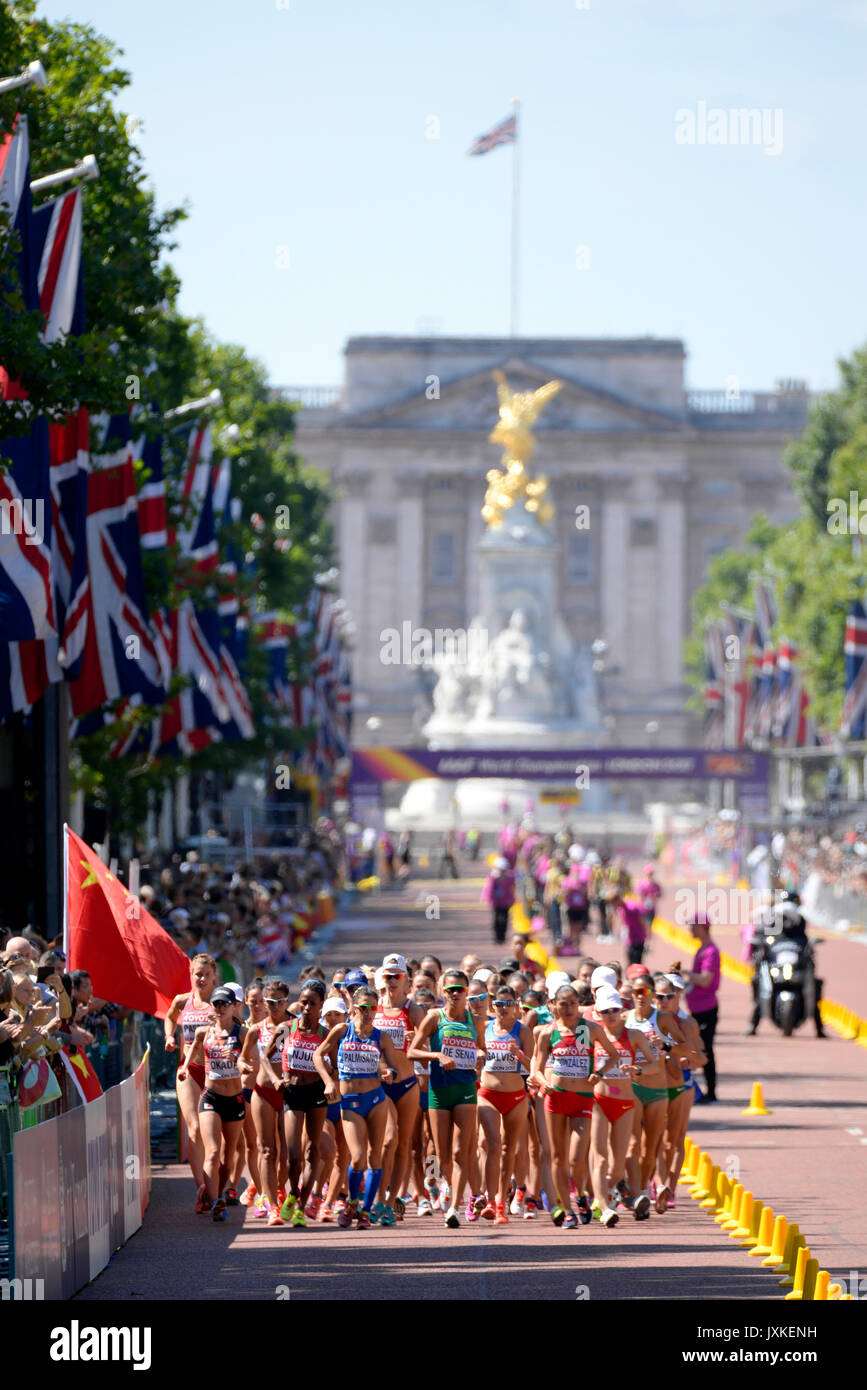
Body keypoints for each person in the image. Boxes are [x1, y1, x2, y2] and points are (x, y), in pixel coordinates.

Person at [314, 985, 402, 1229]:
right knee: (358, 1156)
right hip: (350, 1101)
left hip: (375, 1099)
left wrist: (389, 1073)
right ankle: (352, 1201)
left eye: (372, 1008)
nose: (367, 1012)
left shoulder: (381, 1036)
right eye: (363, 1007)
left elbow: (395, 1068)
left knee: (376, 1156)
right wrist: (328, 1081)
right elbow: (318, 1055)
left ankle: (364, 1210)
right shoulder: (343, 1030)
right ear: (354, 1007)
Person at [532, 983, 620, 1227]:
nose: (569, 1008)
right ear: (555, 1006)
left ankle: (580, 1194)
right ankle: (567, 1209)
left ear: (578, 1005)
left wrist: (600, 1073)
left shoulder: (589, 1029)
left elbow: (613, 1054)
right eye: (564, 1004)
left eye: (572, 1003)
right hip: (556, 1096)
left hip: (582, 1098)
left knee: (576, 1158)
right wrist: (543, 1083)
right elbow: (537, 1068)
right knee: (558, 1157)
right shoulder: (548, 1032)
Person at [407, 968, 485, 1229]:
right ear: (443, 992)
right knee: (441, 1157)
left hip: (465, 1089)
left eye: (459, 989)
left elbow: (481, 1046)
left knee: (461, 1151)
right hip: (438, 1091)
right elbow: (412, 1051)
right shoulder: (434, 1018)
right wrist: (437, 1056)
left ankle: (454, 1207)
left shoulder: (475, 1020)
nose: (454, 994)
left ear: (467, 993)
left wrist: (480, 1055)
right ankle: (444, 1187)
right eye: (450, 989)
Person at [177, 986, 247, 1221]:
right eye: (215, 1004)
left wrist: (237, 1059)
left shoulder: (242, 1033)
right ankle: (216, 1201)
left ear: (232, 1007)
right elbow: (192, 1049)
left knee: (228, 1158)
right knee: (213, 1152)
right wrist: (185, 1068)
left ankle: (218, 1190)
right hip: (211, 1096)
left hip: (235, 1098)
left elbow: (252, 1063)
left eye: (223, 1004)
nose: (219, 1008)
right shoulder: (203, 1032)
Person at [591, 985, 656, 1227]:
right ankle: (605, 1208)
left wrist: (638, 1070)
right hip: (599, 1100)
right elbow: (571, 1058)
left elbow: (654, 1065)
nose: (610, 1014)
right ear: (597, 1013)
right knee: (599, 1158)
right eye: (605, 1010)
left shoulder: (634, 1035)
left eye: (614, 1009)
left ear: (622, 1010)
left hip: (625, 1102)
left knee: (618, 1168)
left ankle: (603, 1195)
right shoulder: (590, 1033)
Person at [374, 953, 425, 1224]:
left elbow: (428, 1047)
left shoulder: (413, 1010)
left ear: (407, 980)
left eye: (397, 976)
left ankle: (394, 1199)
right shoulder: (374, 1008)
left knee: (404, 1144)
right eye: (388, 976)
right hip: (380, 1085)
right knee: (387, 1141)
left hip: (407, 1084)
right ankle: (380, 1198)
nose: (392, 981)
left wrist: (416, 1041)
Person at [164, 954, 216, 1212]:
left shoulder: (220, 1003)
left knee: (214, 1135)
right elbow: (170, 1017)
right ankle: (201, 1188)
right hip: (188, 1069)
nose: (202, 978)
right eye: (197, 973)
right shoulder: (183, 1001)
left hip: (216, 1072)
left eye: (206, 973)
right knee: (194, 1130)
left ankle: (216, 1181)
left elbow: (237, 1026)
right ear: (191, 974)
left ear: (214, 976)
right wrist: (169, 1036)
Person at [476, 985, 533, 1223]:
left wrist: (520, 1055)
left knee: (511, 1150)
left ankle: (501, 1200)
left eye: (508, 1004)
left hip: (516, 1096)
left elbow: (533, 1067)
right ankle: (488, 1199)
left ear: (516, 1005)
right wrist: (478, 1057)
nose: (503, 1008)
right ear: (492, 1005)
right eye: (499, 1004)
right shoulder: (484, 1027)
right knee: (493, 1143)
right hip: (488, 1093)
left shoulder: (524, 1031)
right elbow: (475, 1057)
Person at [239, 976, 290, 1226]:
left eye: (279, 1001)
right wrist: (243, 1065)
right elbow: (242, 1057)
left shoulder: (295, 1026)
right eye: (270, 1001)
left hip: (289, 1093)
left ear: (286, 1001)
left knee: (289, 1153)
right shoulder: (255, 1030)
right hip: (262, 1091)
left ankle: (280, 1188)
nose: (274, 1006)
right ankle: (271, 1205)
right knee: (266, 1149)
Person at [279, 978, 330, 1227]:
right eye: (303, 1002)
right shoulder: (287, 1028)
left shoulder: (325, 1034)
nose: (307, 1007)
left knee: (313, 1149)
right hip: (292, 1092)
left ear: (321, 1006)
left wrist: (332, 1082)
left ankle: (301, 1206)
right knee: (292, 1155)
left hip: (316, 1092)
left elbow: (338, 1064)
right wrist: (274, 1077)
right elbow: (266, 1058)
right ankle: (292, 1192)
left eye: (312, 1003)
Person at [683, 915, 720, 1103]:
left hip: (706, 1008)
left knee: (705, 1049)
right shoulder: (701, 949)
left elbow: (705, 979)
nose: (690, 928)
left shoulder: (710, 952)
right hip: (697, 1007)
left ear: (701, 927)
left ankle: (711, 1092)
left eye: (692, 925)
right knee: (698, 1048)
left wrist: (687, 974)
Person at [482, 858, 515, 944]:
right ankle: (497, 937)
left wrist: (512, 899)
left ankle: (502, 937)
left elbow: (511, 890)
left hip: (505, 902)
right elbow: (489, 889)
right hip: (496, 903)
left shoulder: (509, 877)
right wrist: (488, 899)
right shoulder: (493, 877)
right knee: (496, 919)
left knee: (504, 919)